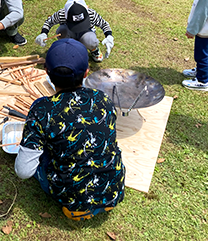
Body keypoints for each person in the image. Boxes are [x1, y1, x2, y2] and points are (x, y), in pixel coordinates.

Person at [15, 38, 125, 220]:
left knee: (43, 156)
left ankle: (77, 205)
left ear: (46, 73)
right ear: (87, 73)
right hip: (113, 189)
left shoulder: (43, 109)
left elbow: (23, 171)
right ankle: (102, 202)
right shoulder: (103, 99)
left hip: (72, 197)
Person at [35, 0, 114, 62]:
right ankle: (68, 48)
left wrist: (109, 36)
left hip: (86, 33)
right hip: (69, 32)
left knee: (90, 40)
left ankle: (93, 49)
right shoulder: (61, 14)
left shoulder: (91, 14)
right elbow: (49, 22)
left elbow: (104, 24)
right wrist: (43, 33)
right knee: (62, 31)